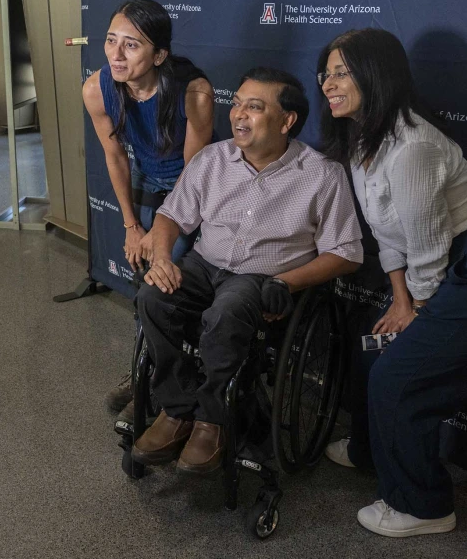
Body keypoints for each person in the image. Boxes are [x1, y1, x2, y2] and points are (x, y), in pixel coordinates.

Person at [316, 28, 467, 537]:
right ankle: (367, 452)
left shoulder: (412, 143)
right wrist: (399, 301)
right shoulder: (360, 140)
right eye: (326, 72)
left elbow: (428, 245)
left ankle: (424, 506)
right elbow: (385, 232)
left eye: (342, 72)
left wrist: (416, 306)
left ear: (377, 75)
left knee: (399, 376)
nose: (328, 83)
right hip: (438, 265)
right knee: (373, 346)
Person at [130, 68, 363, 473]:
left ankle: (212, 420)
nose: (238, 114)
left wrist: (286, 282)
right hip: (205, 264)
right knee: (152, 296)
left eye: (254, 107)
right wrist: (163, 258)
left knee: (228, 310)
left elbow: (346, 252)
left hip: (261, 276)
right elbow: (170, 216)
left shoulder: (323, 175)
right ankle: (176, 409)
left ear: (287, 120)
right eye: (236, 103)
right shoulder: (212, 160)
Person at [81, 0, 214, 419]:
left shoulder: (194, 92)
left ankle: (155, 383)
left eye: (132, 46)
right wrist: (130, 225)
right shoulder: (96, 89)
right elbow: (116, 156)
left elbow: (195, 178)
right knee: (145, 275)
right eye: (110, 41)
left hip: (192, 186)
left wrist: (160, 235)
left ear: (159, 55)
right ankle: (148, 368)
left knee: (162, 275)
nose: (116, 55)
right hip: (146, 177)